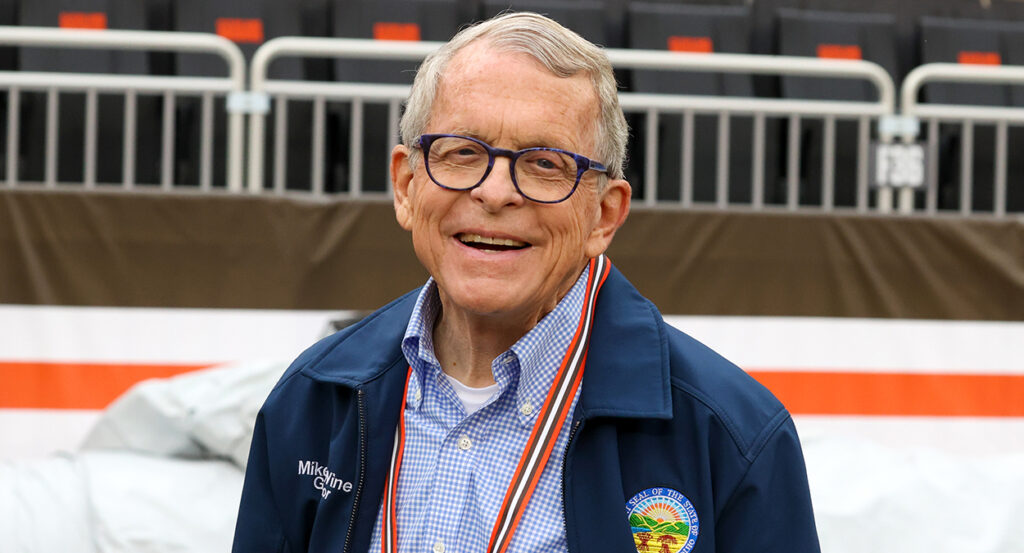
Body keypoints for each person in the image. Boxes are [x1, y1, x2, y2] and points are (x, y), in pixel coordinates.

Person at [232, 12, 820, 553]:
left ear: (605, 216)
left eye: (544, 163)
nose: (493, 192)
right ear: (406, 186)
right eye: (461, 152)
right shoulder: (313, 400)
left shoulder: (731, 438)